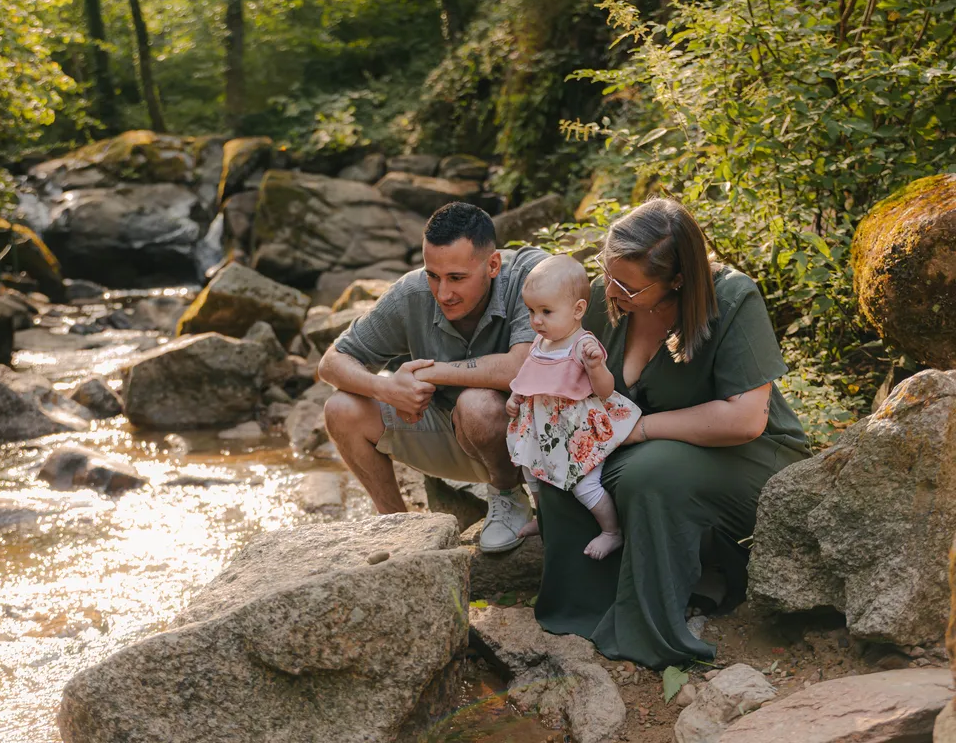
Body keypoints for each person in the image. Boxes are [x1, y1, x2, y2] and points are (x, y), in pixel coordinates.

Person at [533, 198, 812, 670]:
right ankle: (585, 609)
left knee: (649, 472)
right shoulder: (610, 298)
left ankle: (652, 630)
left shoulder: (732, 297)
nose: (612, 290)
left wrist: (639, 429)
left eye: (628, 285)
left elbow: (746, 418)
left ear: (677, 280)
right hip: (646, 447)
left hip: (751, 456)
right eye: (608, 272)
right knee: (563, 462)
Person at [319, 202, 547, 553]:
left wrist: (431, 373)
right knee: (340, 409)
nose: (442, 293)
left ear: (492, 265)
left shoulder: (531, 275)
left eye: (457, 278)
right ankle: (400, 532)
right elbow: (331, 363)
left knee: (477, 403)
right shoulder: (411, 293)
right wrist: (387, 388)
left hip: (531, 444)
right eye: (433, 275)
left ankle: (507, 497)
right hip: (451, 436)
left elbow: (522, 367)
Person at [504, 254, 640, 557]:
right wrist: (516, 396)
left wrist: (595, 366)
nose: (536, 320)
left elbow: (605, 390)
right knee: (529, 470)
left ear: (578, 310)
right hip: (545, 428)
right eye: (531, 311)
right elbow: (529, 375)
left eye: (546, 311)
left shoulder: (582, 345)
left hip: (578, 432)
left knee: (585, 485)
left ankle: (611, 531)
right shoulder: (541, 342)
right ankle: (544, 518)